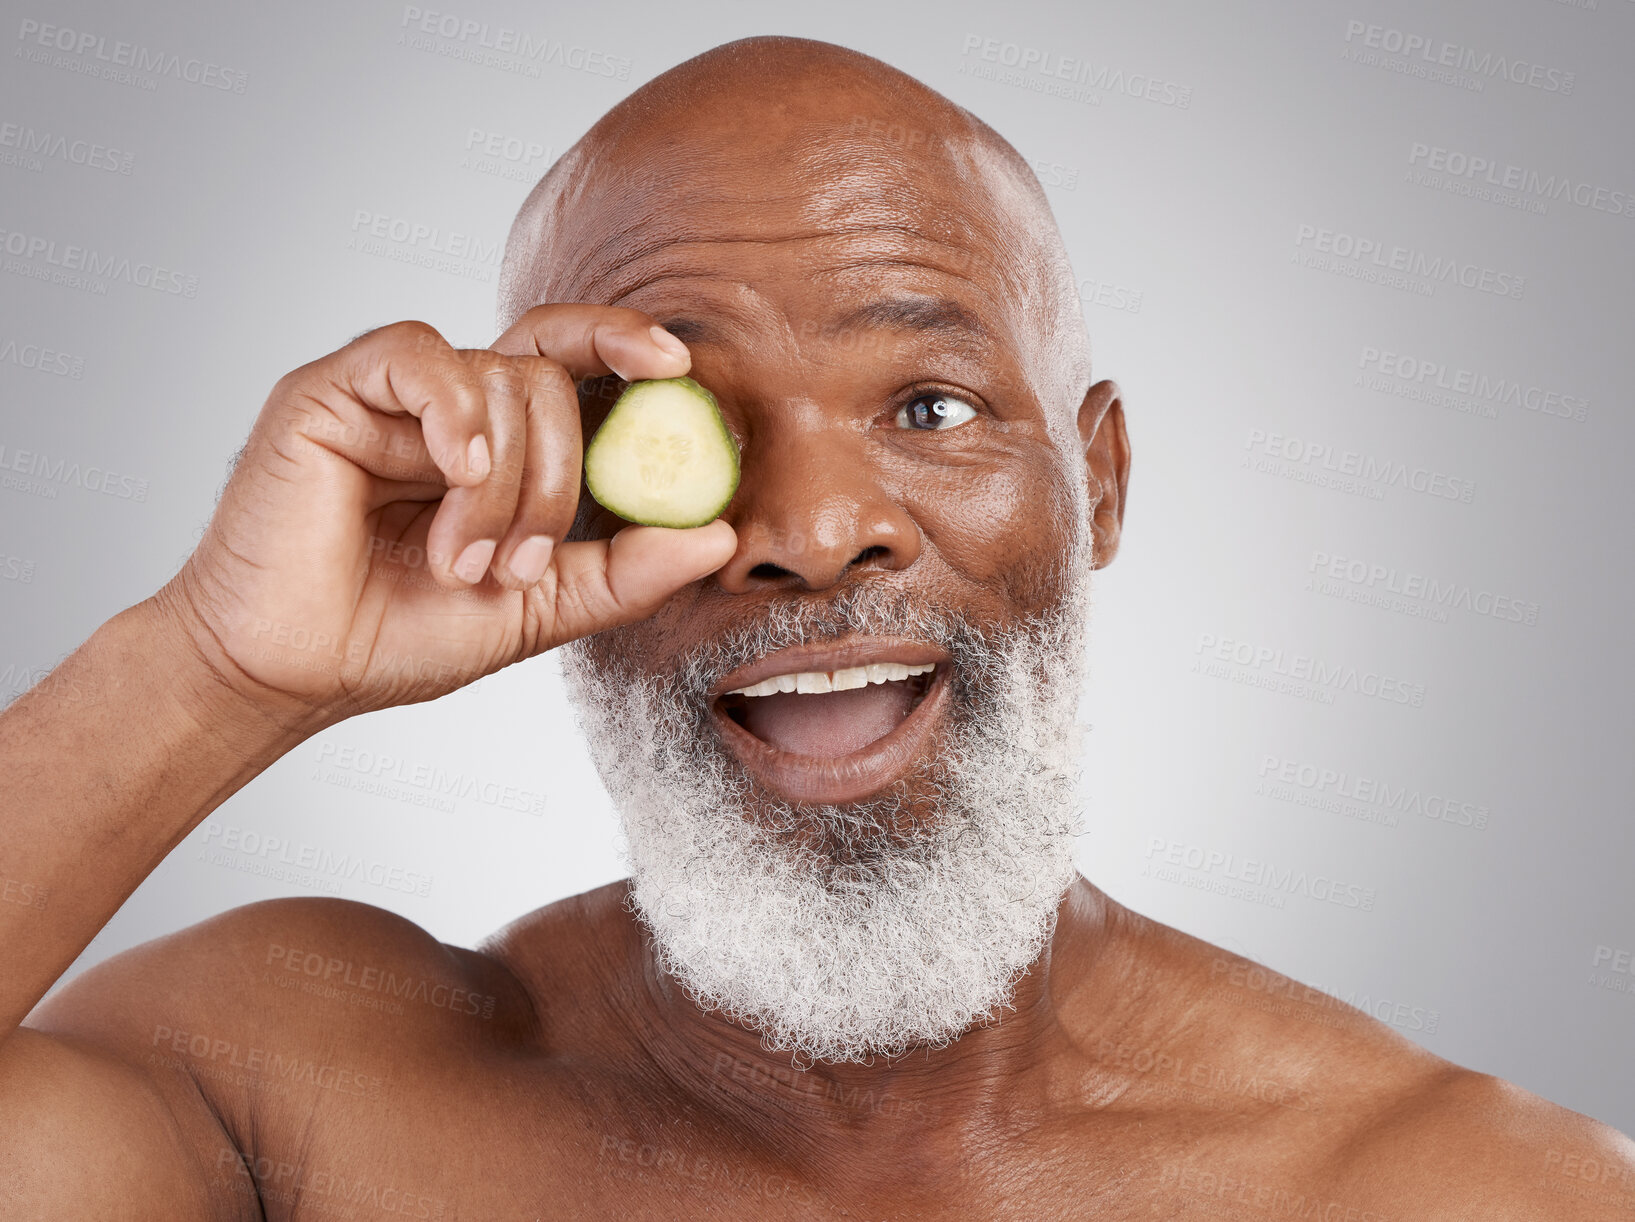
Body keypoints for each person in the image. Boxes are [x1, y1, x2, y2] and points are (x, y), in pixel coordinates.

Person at [2, 35, 1629, 1220]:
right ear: (548, 502)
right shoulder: (291, 1104)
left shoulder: (1460, 1187)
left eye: (929, 402)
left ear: (1102, 484)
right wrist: (213, 663)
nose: (807, 530)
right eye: (690, 424)